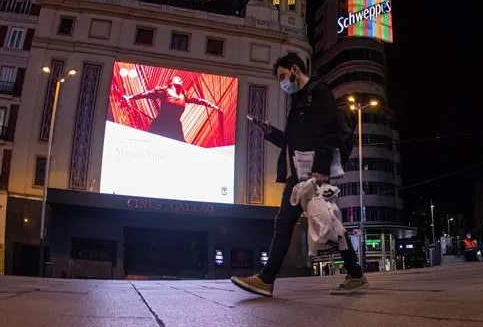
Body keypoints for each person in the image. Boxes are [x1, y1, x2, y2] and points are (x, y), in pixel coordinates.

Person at [231, 54, 367, 297]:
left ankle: (266, 279)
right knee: (325, 223)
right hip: (298, 173)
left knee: (289, 224)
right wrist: (269, 132)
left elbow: (327, 131)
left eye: (283, 76)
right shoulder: (299, 100)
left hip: (312, 173)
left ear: (295, 69)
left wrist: (322, 168)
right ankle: (355, 274)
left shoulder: (319, 91)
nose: (282, 82)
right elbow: (292, 142)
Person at [122, 75, 219, 143]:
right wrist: (130, 97)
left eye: (181, 79)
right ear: (171, 82)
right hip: (161, 123)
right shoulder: (164, 91)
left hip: (175, 125)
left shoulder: (184, 95)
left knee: (181, 146)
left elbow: (199, 101)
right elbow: (146, 94)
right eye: (177, 78)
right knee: (150, 142)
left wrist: (213, 106)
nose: (181, 79)